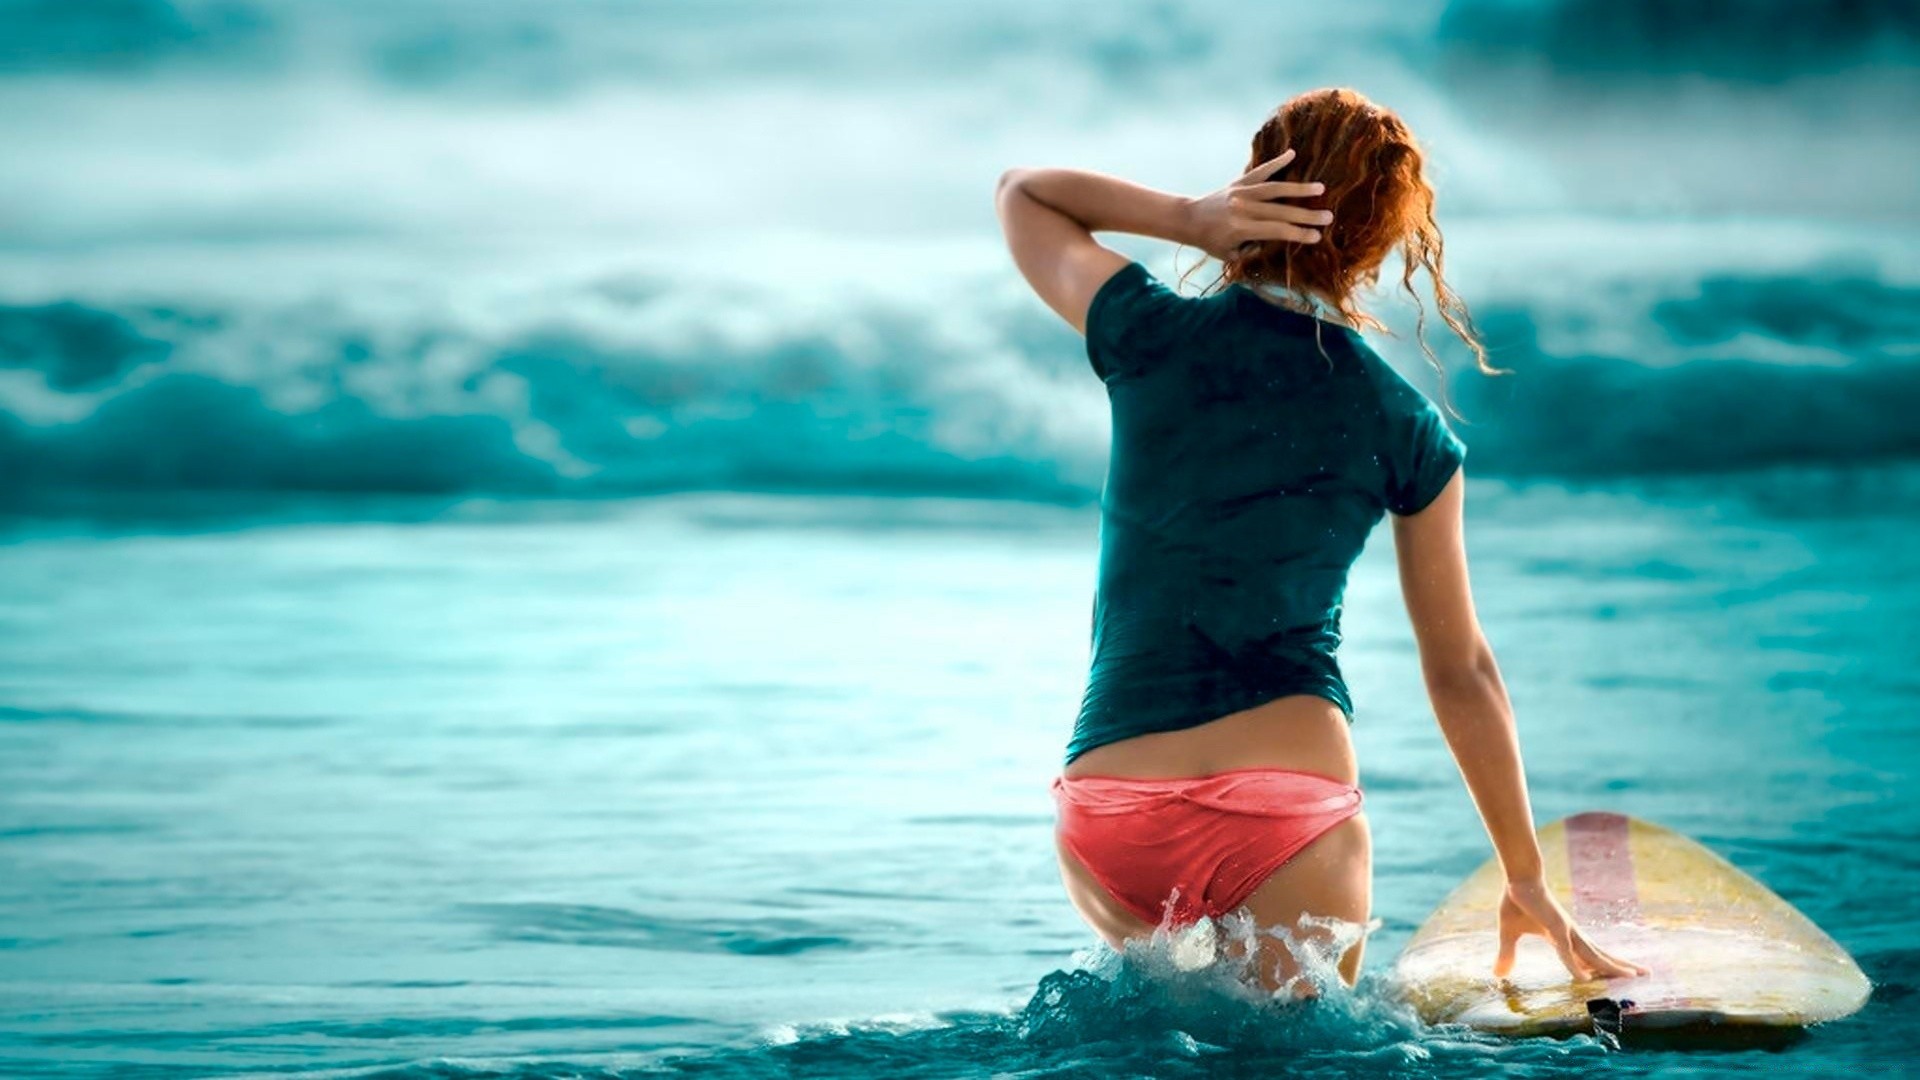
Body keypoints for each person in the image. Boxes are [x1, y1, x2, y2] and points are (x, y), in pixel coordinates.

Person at [993, 87, 1646, 996]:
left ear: (1257, 181)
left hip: (1111, 815)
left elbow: (1024, 192)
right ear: (1383, 240)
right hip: (1288, 817)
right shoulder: (1404, 423)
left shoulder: (1148, 332)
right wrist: (1525, 877)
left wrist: (1188, 219)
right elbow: (1461, 672)